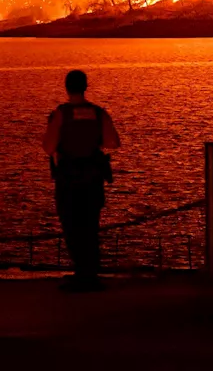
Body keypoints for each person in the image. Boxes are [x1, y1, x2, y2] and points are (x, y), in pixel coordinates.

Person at [42, 69, 120, 291]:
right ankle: (91, 274)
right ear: (85, 86)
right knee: (90, 225)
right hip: (93, 178)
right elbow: (113, 142)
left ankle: (81, 275)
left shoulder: (60, 114)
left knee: (72, 226)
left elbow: (48, 148)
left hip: (68, 179)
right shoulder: (98, 113)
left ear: (67, 87)